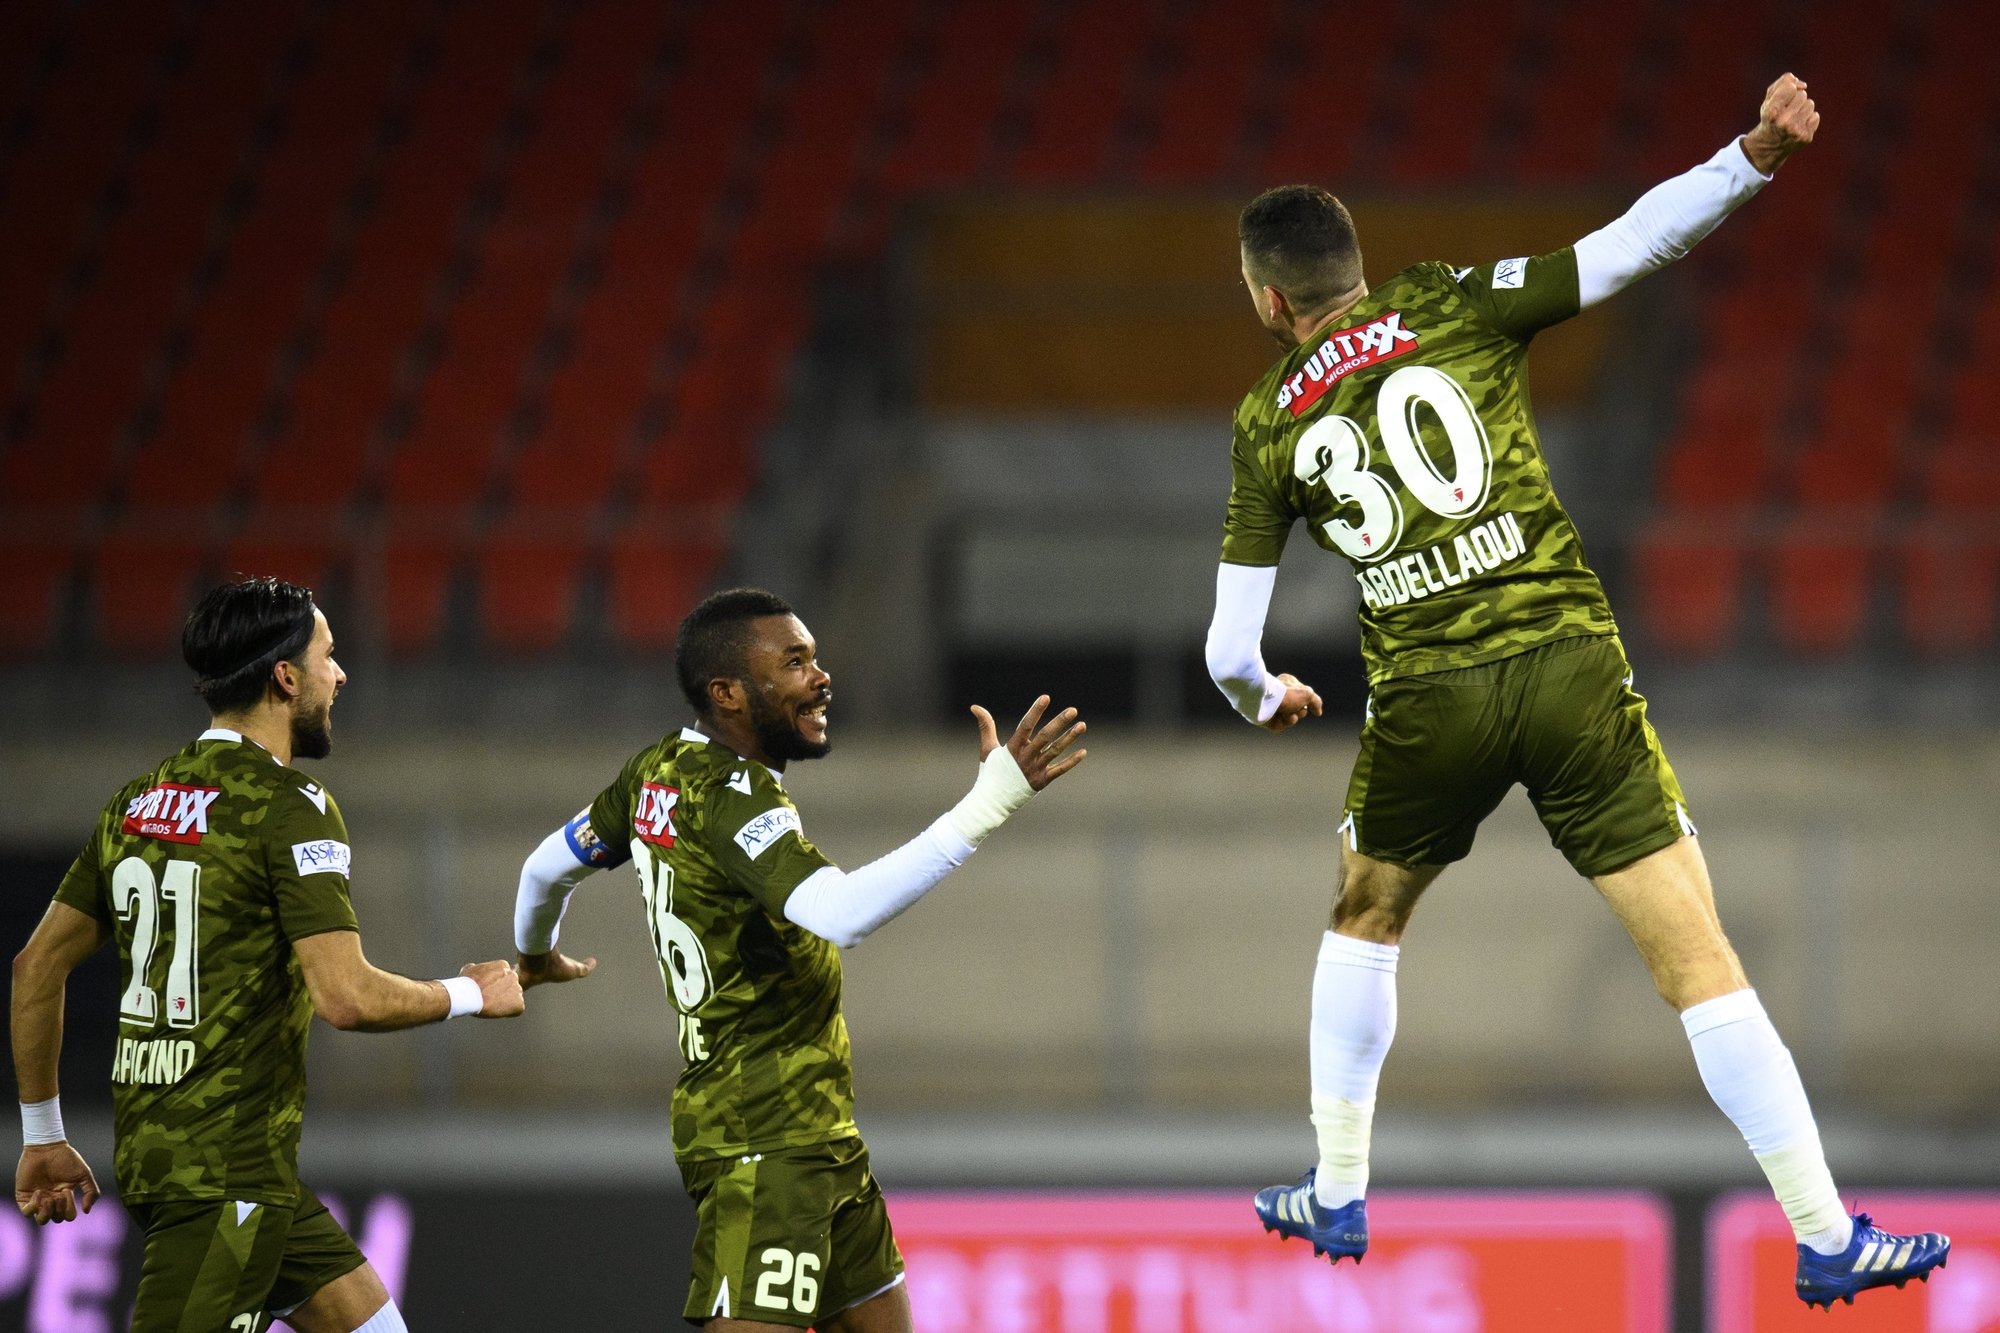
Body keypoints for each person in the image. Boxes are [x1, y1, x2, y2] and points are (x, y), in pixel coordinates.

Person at [1205, 75, 1949, 1309]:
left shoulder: (1263, 424)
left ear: (1267, 297)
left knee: (1364, 911)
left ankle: (1336, 1185)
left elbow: (1231, 645)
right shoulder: (1446, 300)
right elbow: (1626, 244)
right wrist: (1750, 154)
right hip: (1564, 667)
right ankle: (1824, 1234)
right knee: (1694, 954)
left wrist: (1263, 696)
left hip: (1426, 695)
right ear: (1354, 267)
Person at [510, 587, 1086, 1331]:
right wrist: (988, 804)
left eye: (814, 657)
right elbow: (840, 914)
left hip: (820, 1135)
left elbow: (541, 870)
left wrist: (535, 953)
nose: (820, 677)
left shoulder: (657, 771)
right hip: (762, 1138)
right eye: (793, 662)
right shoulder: (734, 798)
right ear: (728, 693)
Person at [11, 577, 525, 1333]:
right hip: (225, 1175)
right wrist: (473, 992)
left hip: (199, 1162)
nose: (340, 673)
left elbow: (36, 966)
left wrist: (42, 1135)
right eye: (328, 655)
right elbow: (346, 996)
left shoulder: (137, 802)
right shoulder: (290, 806)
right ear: (285, 677)